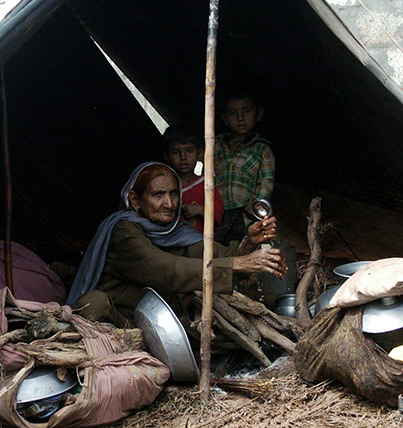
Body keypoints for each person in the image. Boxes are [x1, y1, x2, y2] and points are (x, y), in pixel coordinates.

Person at [65, 162, 287, 327]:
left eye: (173, 194)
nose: (169, 204)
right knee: (94, 303)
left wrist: (247, 244)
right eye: (158, 195)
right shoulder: (123, 231)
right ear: (135, 200)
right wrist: (239, 263)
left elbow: (217, 254)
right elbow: (166, 269)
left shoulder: (175, 232)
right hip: (119, 321)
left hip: (160, 325)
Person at [214, 89, 275, 244]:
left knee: (245, 247)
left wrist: (249, 213)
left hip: (246, 215)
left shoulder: (262, 149)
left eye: (246, 111)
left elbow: (265, 185)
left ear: (258, 114)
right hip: (216, 213)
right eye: (233, 113)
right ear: (224, 118)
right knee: (218, 252)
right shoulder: (215, 145)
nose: (240, 118)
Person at [162, 124, 224, 234]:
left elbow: (218, 215)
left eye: (189, 151)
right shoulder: (164, 188)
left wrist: (200, 210)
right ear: (167, 157)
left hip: (202, 245)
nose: (183, 157)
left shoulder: (206, 184)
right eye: (176, 152)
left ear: (199, 154)